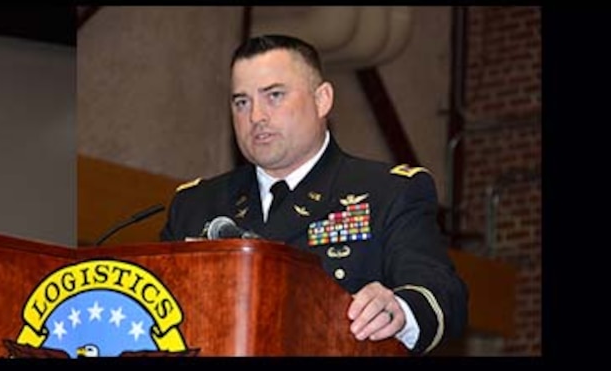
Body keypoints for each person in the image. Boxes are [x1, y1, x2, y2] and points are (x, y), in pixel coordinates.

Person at [160, 33, 467, 354]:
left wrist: (401, 310)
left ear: (322, 100)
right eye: (242, 102)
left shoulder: (386, 192)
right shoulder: (195, 205)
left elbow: (442, 292)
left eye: (274, 95)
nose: (256, 117)